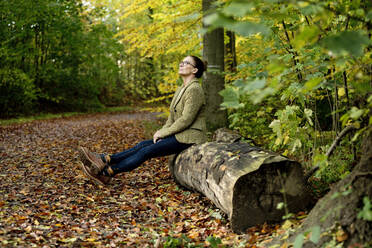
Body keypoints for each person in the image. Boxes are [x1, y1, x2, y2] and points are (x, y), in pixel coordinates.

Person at [78, 55, 207, 185]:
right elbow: (172, 118)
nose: (181, 64)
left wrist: (164, 133)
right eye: (181, 62)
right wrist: (161, 131)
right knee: (142, 145)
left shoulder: (195, 89)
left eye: (186, 63)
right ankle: (105, 159)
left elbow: (186, 119)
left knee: (146, 151)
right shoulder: (181, 89)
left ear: (194, 70)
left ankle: (107, 172)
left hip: (191, 137)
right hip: (180, 135)